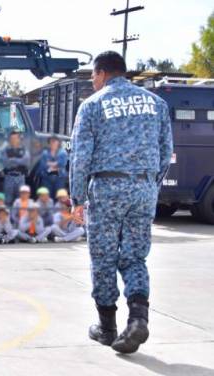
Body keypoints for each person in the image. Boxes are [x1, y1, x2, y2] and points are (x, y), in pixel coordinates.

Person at [70, 51, 172, 353]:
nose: (92, 80)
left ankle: (107, 326)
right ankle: (138, 317)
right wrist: (150, 185)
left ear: (102, 73)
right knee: (134, 256)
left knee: (103, 257)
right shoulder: (156, 103)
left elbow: (80, 157)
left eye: (92, 75)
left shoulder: (92, 106)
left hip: (106, 186)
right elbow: (166, 150)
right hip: (143, 187)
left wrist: (77, 198)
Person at [2, 130, 30, 206]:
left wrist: (13, 160)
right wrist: (18, 161)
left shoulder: (24, 150)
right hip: (9, 177)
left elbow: (26, 161)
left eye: (15, 138)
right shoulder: (6, 150)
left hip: (20, 177)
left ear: (19, 139)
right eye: (12, 138)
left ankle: (19, 217)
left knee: (21, 201)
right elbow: (5, 162)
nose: (13, 140)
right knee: (7, 201)